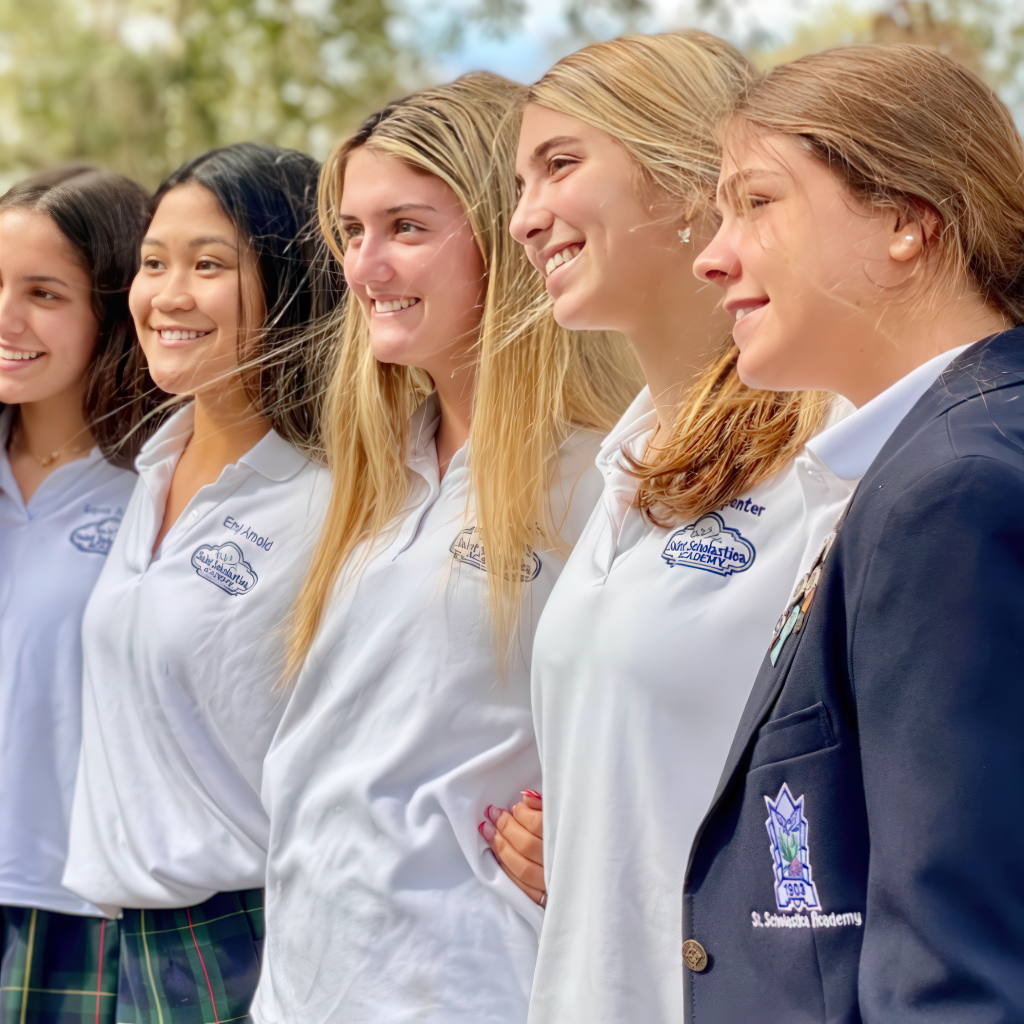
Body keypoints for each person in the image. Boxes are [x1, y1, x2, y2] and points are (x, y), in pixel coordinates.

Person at [251, 72, 640, 1024]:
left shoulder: (603, 476)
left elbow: (679, 737)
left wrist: (599, 842)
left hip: (469, 991)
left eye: (408, 228)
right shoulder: (375, 476)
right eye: (352, 233)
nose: (365, 266)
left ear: (508, 237)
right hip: (304, 986)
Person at [492, 31, 857, 1024]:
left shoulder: (834, 454)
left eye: (560, 165)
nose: (526, 218)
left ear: (693, 174)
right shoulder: (626, 457)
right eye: (519, 182)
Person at [684, 44, 1024, 1021]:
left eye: (755, 202)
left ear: (905, 220)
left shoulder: (954, 490)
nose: (713, 253)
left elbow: (960, 970)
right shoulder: (946, 454)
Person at [62, 143, 344, 1024]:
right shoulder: (150, 461)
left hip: (247, 942)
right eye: (154, 264)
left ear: (292, 280)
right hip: (121, 943)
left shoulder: (329, 497)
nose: (168, 294)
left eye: (209, 265)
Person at [0, 166, 162, 1024]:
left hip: (81, 909)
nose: (6, 317)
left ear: (112, 307)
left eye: (43, 292)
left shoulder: (162, 487)